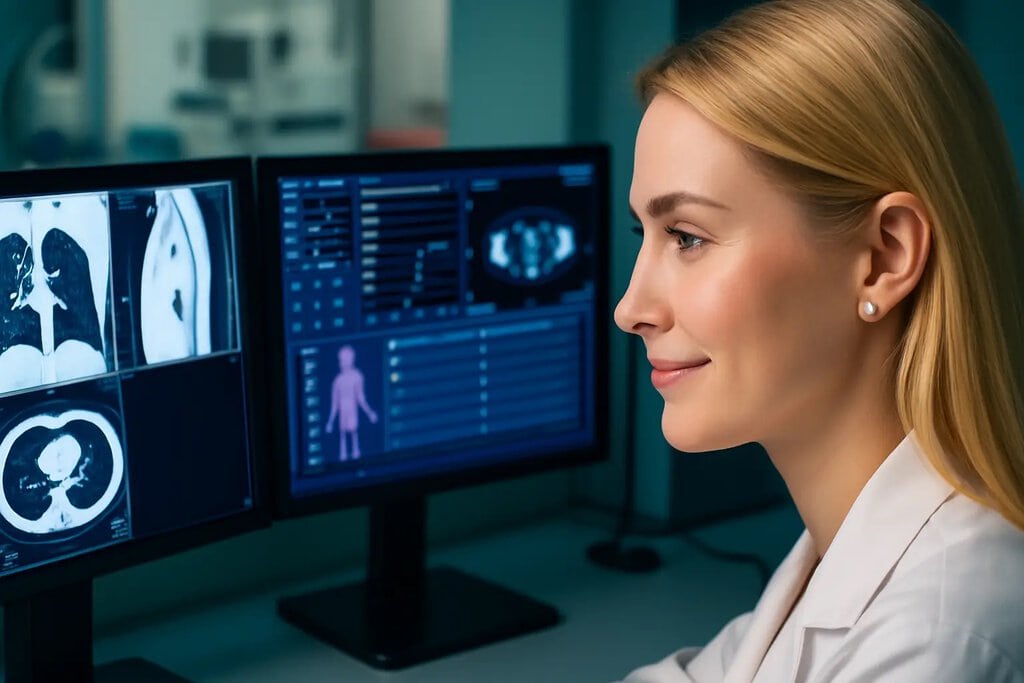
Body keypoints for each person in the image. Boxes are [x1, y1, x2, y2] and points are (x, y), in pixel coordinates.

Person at [613, 0, 1024, 681]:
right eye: (644, 235)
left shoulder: (939, 641)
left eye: (687, 237)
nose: (632, 309)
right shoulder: (843, 554)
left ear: (885, 256)